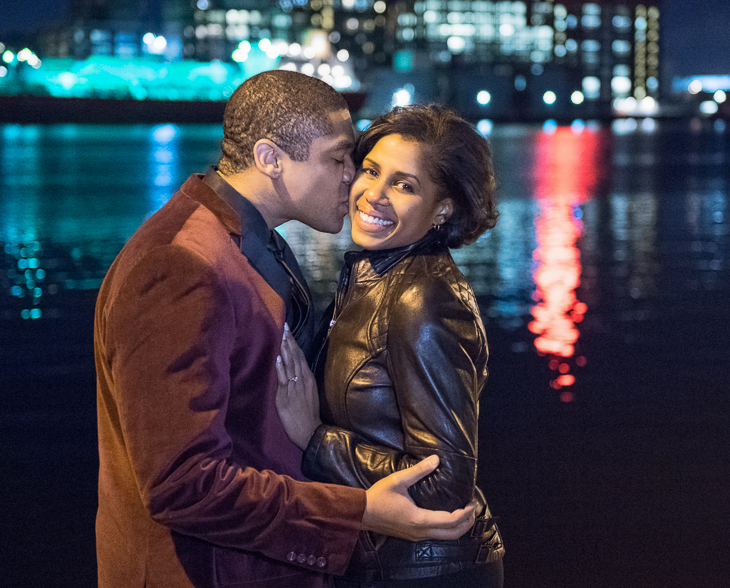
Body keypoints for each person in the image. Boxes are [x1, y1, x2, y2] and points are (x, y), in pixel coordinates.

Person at [94, 72, 476, 588]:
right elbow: (181, 485)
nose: (351, 178)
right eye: (340, 159)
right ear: (272, 159)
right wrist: (357, 510)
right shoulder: (179, 266)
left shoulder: (251, 242)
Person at [275, 104, 505, 587]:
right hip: (386, 560)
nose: (373, 195)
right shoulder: (374, 276)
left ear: (442, 208)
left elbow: (446, 483)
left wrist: (316, 438)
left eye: (405, 185)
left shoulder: (422, 298)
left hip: (425, 570)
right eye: (371, 170)